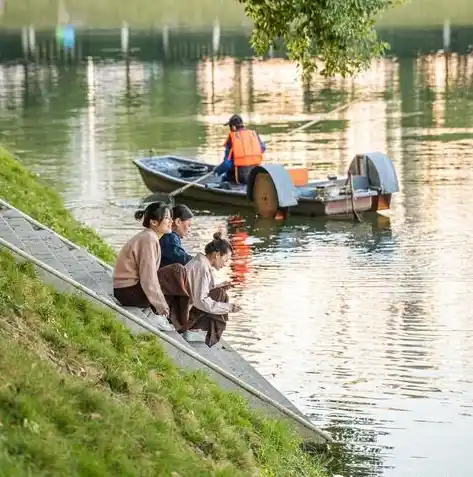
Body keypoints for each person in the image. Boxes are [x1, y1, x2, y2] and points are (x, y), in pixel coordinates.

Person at [112, 201, 174, 331]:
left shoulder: (150, 236)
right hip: (128, 292)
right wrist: (162, 306)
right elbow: (148, 277)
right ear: (154, 222)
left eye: (170, 217)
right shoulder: (149, 239)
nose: (171, 221)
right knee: (176, 273)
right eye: (167, 218)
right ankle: (159, 315)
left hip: (127, 290)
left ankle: (157, 313)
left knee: (173, 272)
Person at [183, 231, 242, 345]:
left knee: (219, 291)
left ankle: (199, 329)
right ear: (217, 255)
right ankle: (193, 329)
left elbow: (199, 289)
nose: (226, 264)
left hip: (187, 303)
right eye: (225, 259)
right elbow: (201, 301)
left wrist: (218, 287)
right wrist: (229, 308)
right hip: (184, 310)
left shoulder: (201, 263)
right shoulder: (202, 267)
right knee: (220, 295)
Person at [214, 114, 266, 185]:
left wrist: (217, 171)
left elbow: (227, 164)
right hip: (255, 176)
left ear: (233, 127)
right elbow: (263, 148)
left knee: (224, 177)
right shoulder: (254, 135)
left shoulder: (232, 139)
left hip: (240, 178)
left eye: (229, 127)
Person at [159, 204, 193, 268]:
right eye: (189, 225)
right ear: (178, 222)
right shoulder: (170, 236)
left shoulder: (168, 236)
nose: (189, 230)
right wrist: (198, 261)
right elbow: (182, 258)